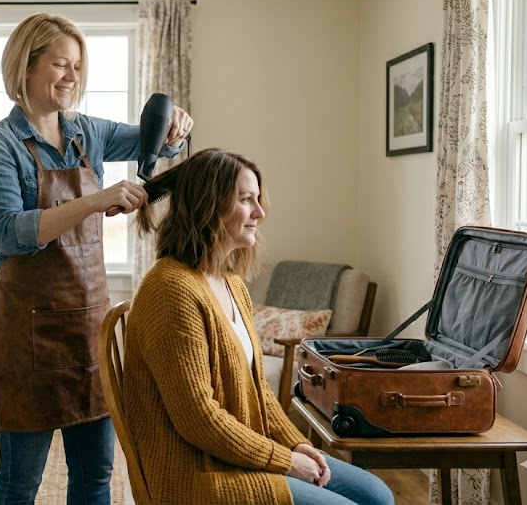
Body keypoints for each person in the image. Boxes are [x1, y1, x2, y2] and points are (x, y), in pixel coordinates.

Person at [0, 12, 193, 505]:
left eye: (77, 66)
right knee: (19, 481)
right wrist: (94, 199)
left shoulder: (87, 132)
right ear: (25, 67)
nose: (72, 77)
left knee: (96, 477)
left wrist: (179, 129)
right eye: (60, 64)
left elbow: (157, 141)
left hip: (89, 330)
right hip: (26, 334)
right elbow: (10, 233)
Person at [125, 149, 395, 505]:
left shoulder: (230, 282)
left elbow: (258, 392)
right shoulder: (170, 289)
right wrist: (285, 461)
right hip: (200, 474)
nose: (260, 213)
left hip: (237, 454)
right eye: (246, 200)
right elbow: (199, 420)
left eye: (257, 199)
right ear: (210, 206)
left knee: (377, 494)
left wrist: (295, 442)